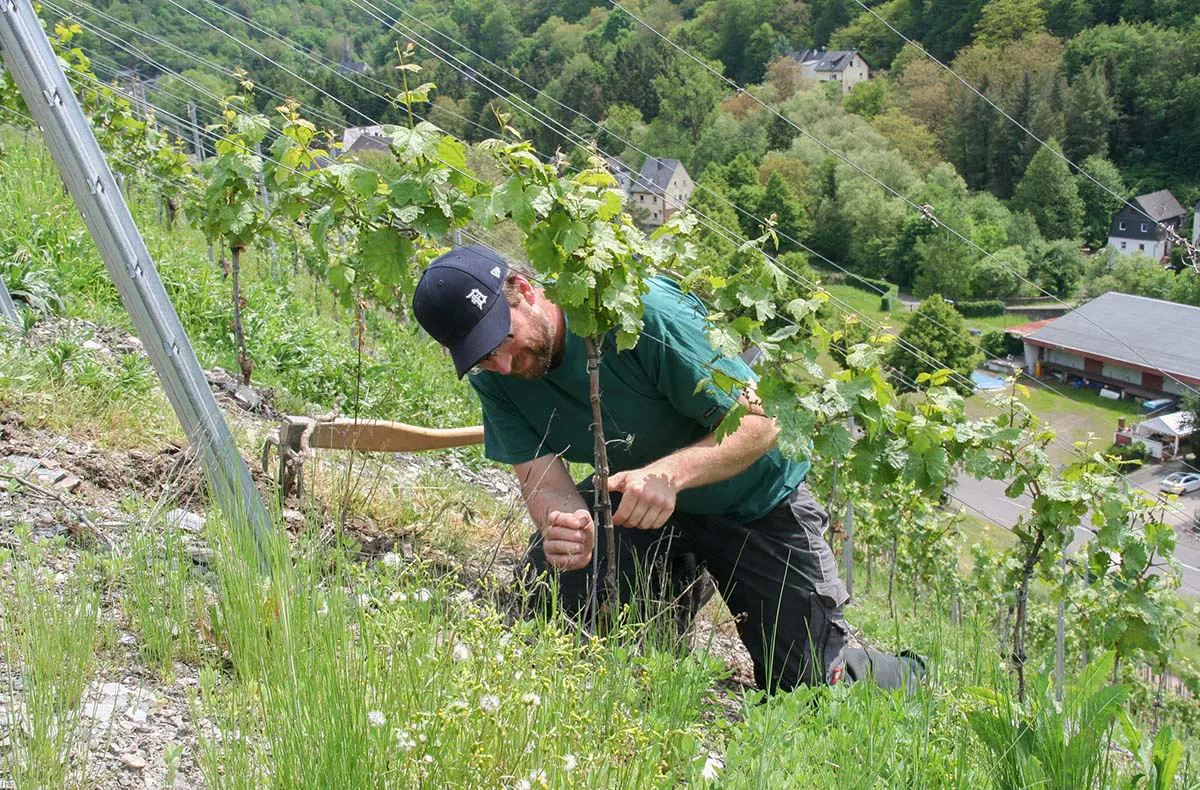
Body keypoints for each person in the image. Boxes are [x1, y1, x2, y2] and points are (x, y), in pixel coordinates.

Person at [412, 245, 923, 692]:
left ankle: (907, 676)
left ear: (522, 289)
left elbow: (764, 423)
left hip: (754, 501)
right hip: (639, 503)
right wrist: (565, 526)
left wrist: (671, 477)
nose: (501, 365)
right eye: (481, 358)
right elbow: (543, 479)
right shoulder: (498, 379)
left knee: (809, 687)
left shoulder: (643, 313)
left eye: (501, 342)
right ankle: (663, 629)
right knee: (554, 615)